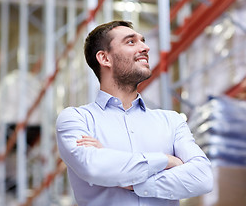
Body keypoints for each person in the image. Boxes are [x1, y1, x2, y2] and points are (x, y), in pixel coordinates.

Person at [56, 20, 213, 206]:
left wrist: (131, 182)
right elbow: (94, 168)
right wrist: (168, 160)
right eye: (131, 42)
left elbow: (203, 178)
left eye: (143, 41)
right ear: (105, 58)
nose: (145, 47)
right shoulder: (76, 119)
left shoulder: (171, 121)